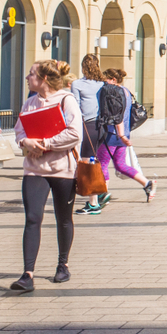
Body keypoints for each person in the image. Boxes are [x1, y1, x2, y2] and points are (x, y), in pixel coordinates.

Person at [11, 60, 82, 293]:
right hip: (34, 169)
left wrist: (46, 143)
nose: (27, 78)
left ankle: (63, 264)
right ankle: (27, 274)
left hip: (63, 169)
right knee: (32, 217)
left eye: (31, 74)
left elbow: (74, 133)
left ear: (42, 79)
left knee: (63, 218)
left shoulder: (66, 100)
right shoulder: (30, 103)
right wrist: (25, 141)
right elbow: (19, 129)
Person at [96, 69, 157, 202]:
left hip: (113, 133)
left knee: (102, 164)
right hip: (124, 134)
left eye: (105, 79)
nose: (103, 82)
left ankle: (102, 194)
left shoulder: (112, 92)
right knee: (120, 165)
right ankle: (147, 184)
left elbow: (115, 115)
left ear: (113, 79)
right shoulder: (126, 91)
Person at [71, 55, 107, 215]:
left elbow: (76, 109)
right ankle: (99, 193)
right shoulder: (102, 84)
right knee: (94, 160)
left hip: (88, 126)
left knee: (87, 162)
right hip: (102, 127)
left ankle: (93, 203)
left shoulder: (77, 84)